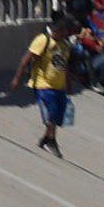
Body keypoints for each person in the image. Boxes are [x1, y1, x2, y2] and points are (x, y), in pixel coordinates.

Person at [11, 11, 77, 158]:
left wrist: (69, 84)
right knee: (51, 114)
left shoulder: (65, 46)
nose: (67, 34)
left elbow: (64, 66)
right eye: (65, 31)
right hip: (43, 84)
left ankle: (46, 139)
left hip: (59, 87)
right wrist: (17, 78)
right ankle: (52, 142)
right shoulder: (43, 40)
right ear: (58, 30)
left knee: (57, 116)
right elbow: (26, 59)